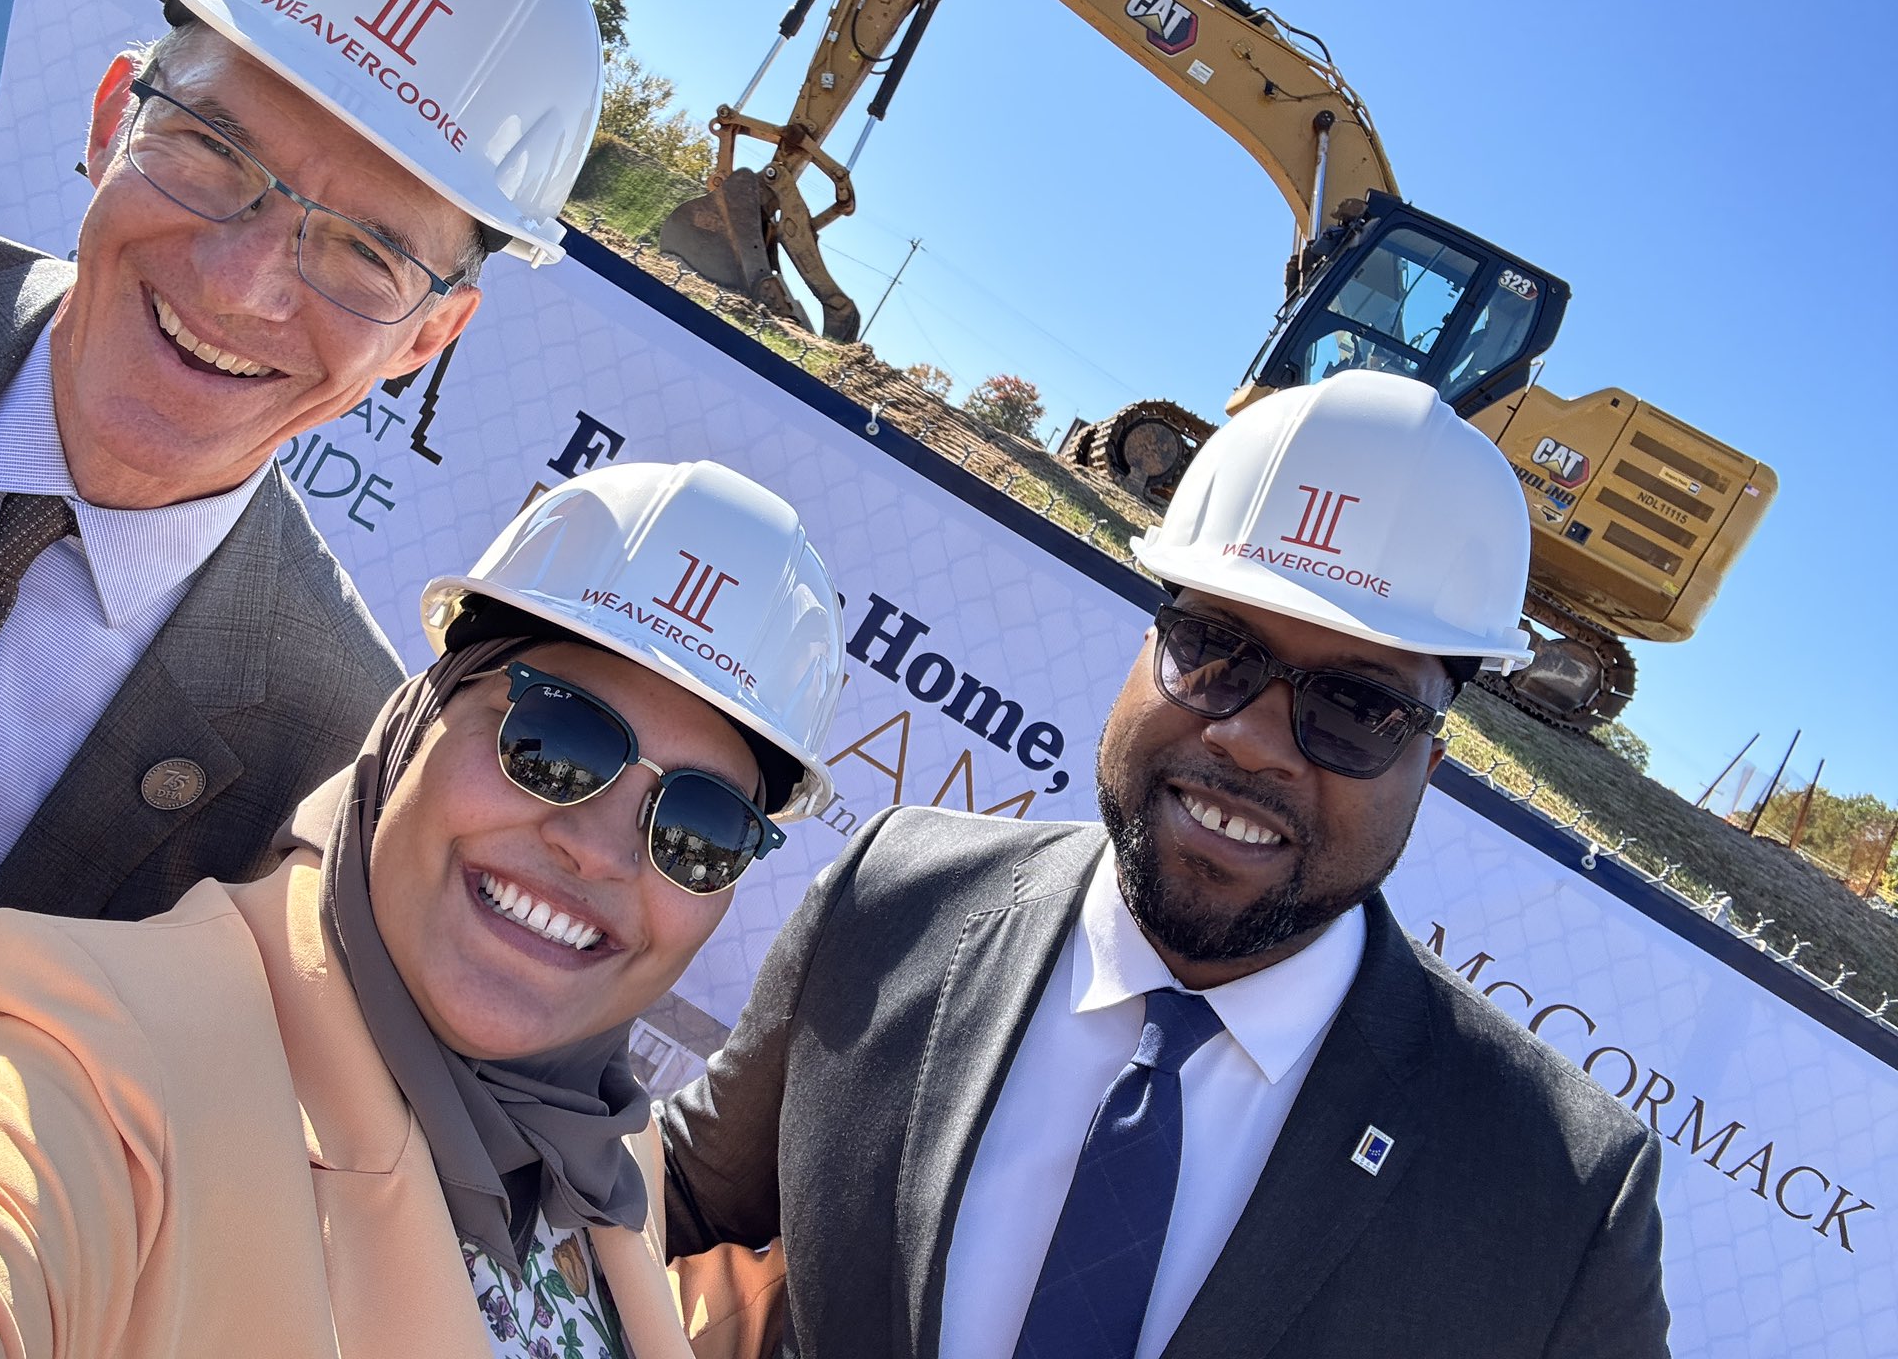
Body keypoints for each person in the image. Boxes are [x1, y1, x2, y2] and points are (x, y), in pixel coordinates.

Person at [658, 371, 1673, 1359]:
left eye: (1354, 708)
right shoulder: (894, 898)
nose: (1251, 740)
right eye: (1214, 647)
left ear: (1428, 767)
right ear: (1146, 646)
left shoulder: (1561, 1189)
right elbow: (672, 1194)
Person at [0, 0, 603, 1066]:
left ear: (430, 338)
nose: (244, 285)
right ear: (110, 119)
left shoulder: (331, 761)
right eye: (213, 151)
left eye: (366, 250)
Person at [0, 458, 846, 1358]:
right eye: (556, 742)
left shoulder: (603, 1147)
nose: (594, 849)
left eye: (698, 829)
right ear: (419, 719)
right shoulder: (98, 1067)